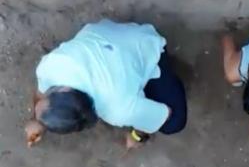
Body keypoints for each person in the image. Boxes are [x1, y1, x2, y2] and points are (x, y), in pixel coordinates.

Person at [25, 19, 187, 149]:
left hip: (149, 46)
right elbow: (41, 95)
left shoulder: (118, 109)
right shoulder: (52, 66)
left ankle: (172, 77)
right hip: (114, 35)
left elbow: (164, 113)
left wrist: (136, 137)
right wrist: (37, 120)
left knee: (174, 124)